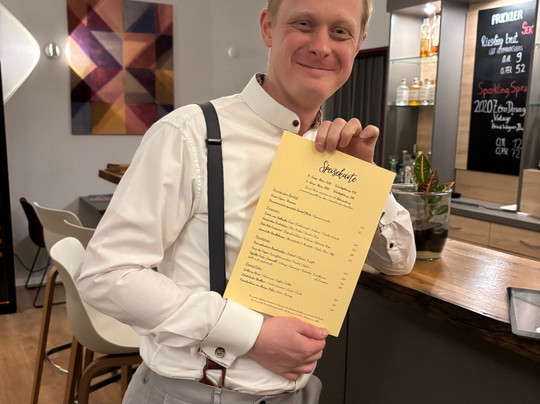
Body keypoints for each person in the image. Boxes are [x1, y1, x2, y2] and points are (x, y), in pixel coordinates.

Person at [77, 0, 416, 402]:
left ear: (357, 44)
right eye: (304, 24)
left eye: (340, 32)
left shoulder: (339, 152)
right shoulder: (187, 134)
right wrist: (250, 334)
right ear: (268, 27)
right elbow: (106, 274)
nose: (322, 46)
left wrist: (365, 178)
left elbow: (398, 262)